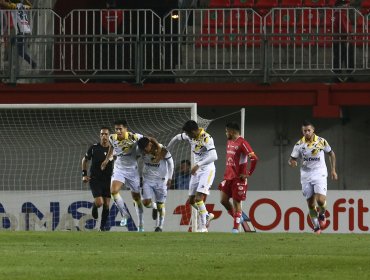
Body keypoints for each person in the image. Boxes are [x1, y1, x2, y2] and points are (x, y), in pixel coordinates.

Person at [288, 120, 338, 234]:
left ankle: (322, 213)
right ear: (302, 131)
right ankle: (316, 228)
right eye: (304, 131)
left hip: (319, 172)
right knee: (310, 203)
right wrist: (292, 163)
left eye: (308, 130)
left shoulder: (321, 141)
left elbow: (331, 154)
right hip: (305, 175)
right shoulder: (299, 144)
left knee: (320, 200)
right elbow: (292, 159)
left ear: (313, 130)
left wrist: (333, 170)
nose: (306, 132)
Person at [168, 120, 217, 232]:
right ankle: (207, 215)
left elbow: (214, 156)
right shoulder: (189, 135)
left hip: (207, 170)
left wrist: (198, 164)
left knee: (199, 198)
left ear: (194, 131)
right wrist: (168, 148)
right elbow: (176, 137)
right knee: (191, 201)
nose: (188, 136)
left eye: (189, 133)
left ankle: (203, 227)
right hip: (197, 171)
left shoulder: (207, 138)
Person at [218, 122, 258, 233]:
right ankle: (238, 218)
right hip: (228, 177)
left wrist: (248, 173)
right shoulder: (229, 141)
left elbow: (254, 158)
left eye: (226, 131)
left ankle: (235, 229)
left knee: (236, 203)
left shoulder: (243, 143)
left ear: (231, 131)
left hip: (238, 178)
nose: (225, 133)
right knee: (223, 200)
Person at [137, 137, 174, 232]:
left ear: (150, 144)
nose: (145, 150)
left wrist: (170, 178)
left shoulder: (162, 150)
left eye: (146, 147)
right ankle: (154, 207)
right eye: (143, 149)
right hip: (147, 180)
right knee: (146, 203)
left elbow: (171, 163)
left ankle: (160, 227)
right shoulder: (142, 151)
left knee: (161, 205)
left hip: (161, 181)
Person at [82, 127, 113, 231]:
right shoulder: (94, 148)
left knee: (107, 205)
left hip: (108, 180)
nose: (104, 136)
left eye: (106, 134)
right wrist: (84, 174)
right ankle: (95, 206)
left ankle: (102, 228)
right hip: (95, 179)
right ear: (100, 135)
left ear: (109, 136)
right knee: (100, 203)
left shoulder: (113, 149)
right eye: (102, 134)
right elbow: (84, 160)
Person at [332, 0, 354, 82]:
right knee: (348, 59)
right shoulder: (341, 14)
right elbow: (345, 29)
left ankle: (337, 76)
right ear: (340, 5)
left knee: (338, 59)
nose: (347, 5)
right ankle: (348, 77)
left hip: (338, 40)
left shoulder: (336, 14)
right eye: (345, 4)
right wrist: (350, 34)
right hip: (344, 40)